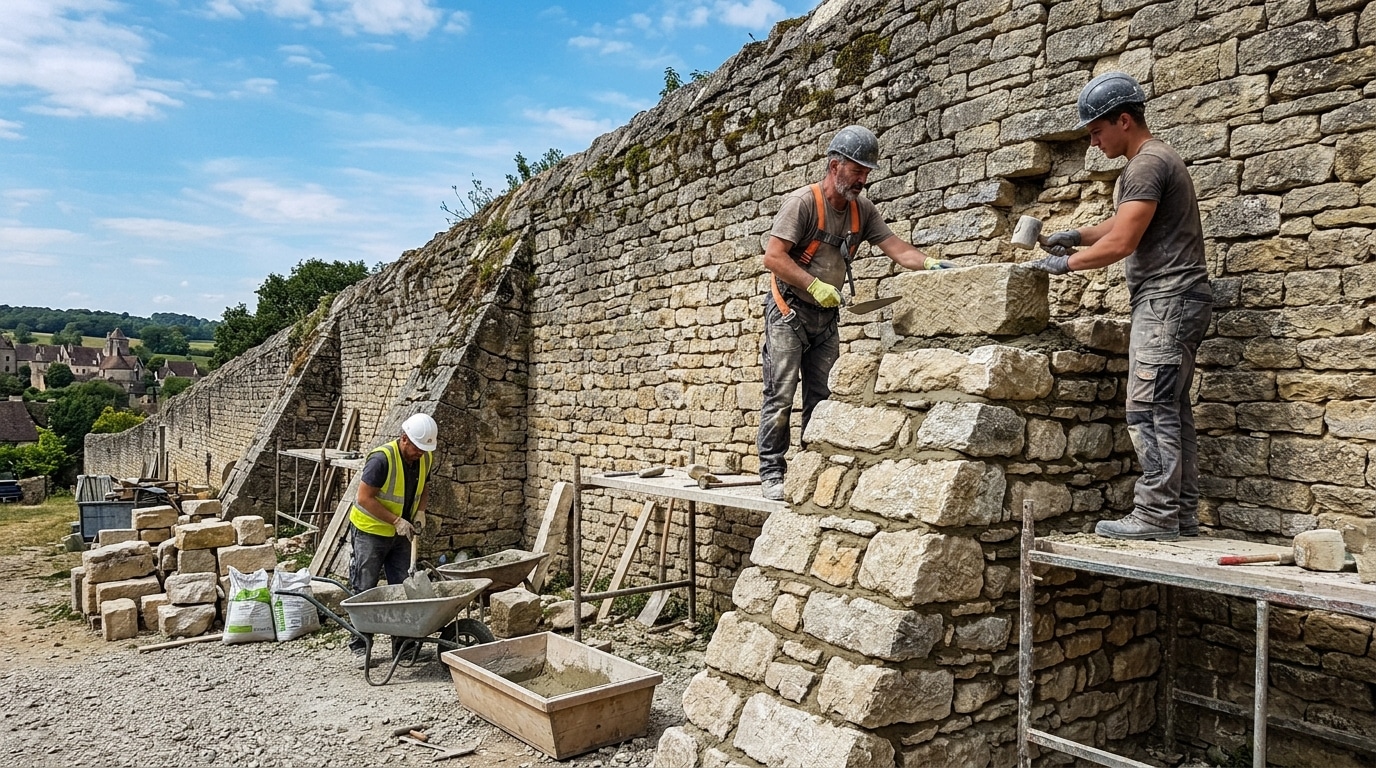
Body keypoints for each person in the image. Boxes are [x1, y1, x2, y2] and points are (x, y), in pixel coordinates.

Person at [1025, 72, 1212, 541]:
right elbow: (1122, 222)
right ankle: (1180, 514)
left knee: (1147, 406)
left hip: (1168, 298)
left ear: (1123, 120)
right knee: (1170, 408)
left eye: (1096, 131)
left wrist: (1063, 264)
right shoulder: (1155, 160)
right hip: (1177, 298)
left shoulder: (1146, 164)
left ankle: (1156, 514)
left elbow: (1123, 241)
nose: (1093, 142)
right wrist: (1076, 235)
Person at [757, 125, 951, 501]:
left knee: (823, 396)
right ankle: (772, 472)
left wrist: (929, 263)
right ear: (835, 166)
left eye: (866, 172)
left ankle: (809, 469)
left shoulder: (862, 211)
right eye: (857, 170)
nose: (863, 179)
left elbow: (897, 248)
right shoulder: (803, 204)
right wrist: (813, 284)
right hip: (789, 312)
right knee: (780, 395)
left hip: (825, 318)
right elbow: (773, 258)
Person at [346, 412, 437, 654]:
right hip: (370, 531)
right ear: (404, 438)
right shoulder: (381, 460)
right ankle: (360, 645)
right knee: (365, 588)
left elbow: (424, 487)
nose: (420, 453)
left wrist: (420, 511)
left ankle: (403, 646)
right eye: (416, 448)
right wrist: (396, 520)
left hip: (401, 533)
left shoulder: (425, 457)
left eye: (424, 449)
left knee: (404, 586)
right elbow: (364, 498)